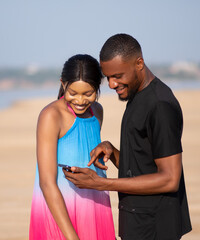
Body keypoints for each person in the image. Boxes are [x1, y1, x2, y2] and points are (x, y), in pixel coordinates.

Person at [63, 34, 192, 240]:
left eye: (118, 76)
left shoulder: (160, 105)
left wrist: (101, 184)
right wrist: (111, 151)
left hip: (156, 226)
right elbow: (143, 167)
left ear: (139, 63)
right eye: (108, 78)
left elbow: (169, 179)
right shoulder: (136, 95)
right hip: (138, 222)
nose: (112, 84)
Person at [29, 54, 115, 240]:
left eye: (88, 93)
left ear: (98, 88)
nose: (80, 100)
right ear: (63, 83)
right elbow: (46, 183)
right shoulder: (51, 116)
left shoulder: (97, 112)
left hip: (95, 209)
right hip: (60, 216)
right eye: (73, 93)